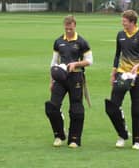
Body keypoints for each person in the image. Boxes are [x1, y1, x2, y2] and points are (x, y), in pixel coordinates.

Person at [105, 10, 139, 150]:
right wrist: (113, 72)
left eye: (125, 20)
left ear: (132, 22)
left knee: (138, 109)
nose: (122, 22)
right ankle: (123, 134)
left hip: (138, 76)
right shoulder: (120, 35)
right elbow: (117, 55)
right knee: (112, 106)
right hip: (122, 75)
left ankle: (138, 141)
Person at [45, 15, 93, 148]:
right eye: (66, 28)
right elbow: (54, 62)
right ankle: (59, 135)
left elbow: (89, 61)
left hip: (76, 77)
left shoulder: (82, 42)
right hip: (60, 78)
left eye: (70, 28)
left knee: (76, 109)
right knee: (52, 107)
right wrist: (51, 81)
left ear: (75, 26)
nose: (68, 31)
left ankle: (74, 139)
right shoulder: (58, 41)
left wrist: (76, 64)